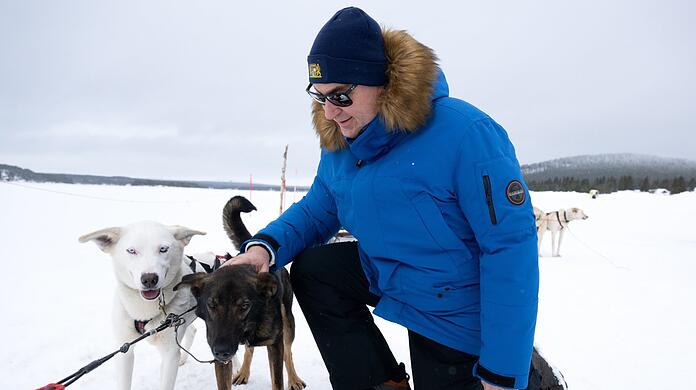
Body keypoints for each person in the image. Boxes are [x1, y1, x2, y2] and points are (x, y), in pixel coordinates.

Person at [225, 7, 539, 390]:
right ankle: (379, 382)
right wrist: (263, 248)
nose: (329, 112)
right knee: (315, 270)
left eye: (340, 95)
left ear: (382, 82)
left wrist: (501, 373)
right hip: (389, 273)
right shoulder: (341, 142)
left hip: (453, 307)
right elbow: (319, 208)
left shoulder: (466, 134)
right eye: (320, 96)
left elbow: (510, 250)